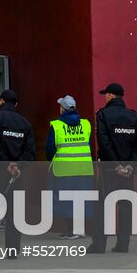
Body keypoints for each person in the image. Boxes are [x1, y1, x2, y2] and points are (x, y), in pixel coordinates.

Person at [90, 82, 137, 254]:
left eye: (106, 94)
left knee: (102, 207)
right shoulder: (133, 116)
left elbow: (104, 143)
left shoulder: (103, 115)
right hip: (128, 172)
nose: (104, 97)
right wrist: (131, 165)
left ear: (111, 96)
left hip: (110, 170)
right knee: (125, 207)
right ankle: (123, 244)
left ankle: (99, 245)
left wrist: (116, 166)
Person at [0, 89, 35, 251]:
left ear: (1, 102)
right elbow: (30, 152)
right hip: (17, 175)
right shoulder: (25, 123)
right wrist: (17, 165)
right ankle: (12, 250)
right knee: (14, 213)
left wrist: (6, 163)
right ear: (16, 104)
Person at [46, 95, 94, 238]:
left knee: (66, 200)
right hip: (83, 169)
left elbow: (50, 149)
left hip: (64, 169)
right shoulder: (85, 124)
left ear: (62, 109)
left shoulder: (57, 126)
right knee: (81, 199)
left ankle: (71, 230)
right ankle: (78, 229)